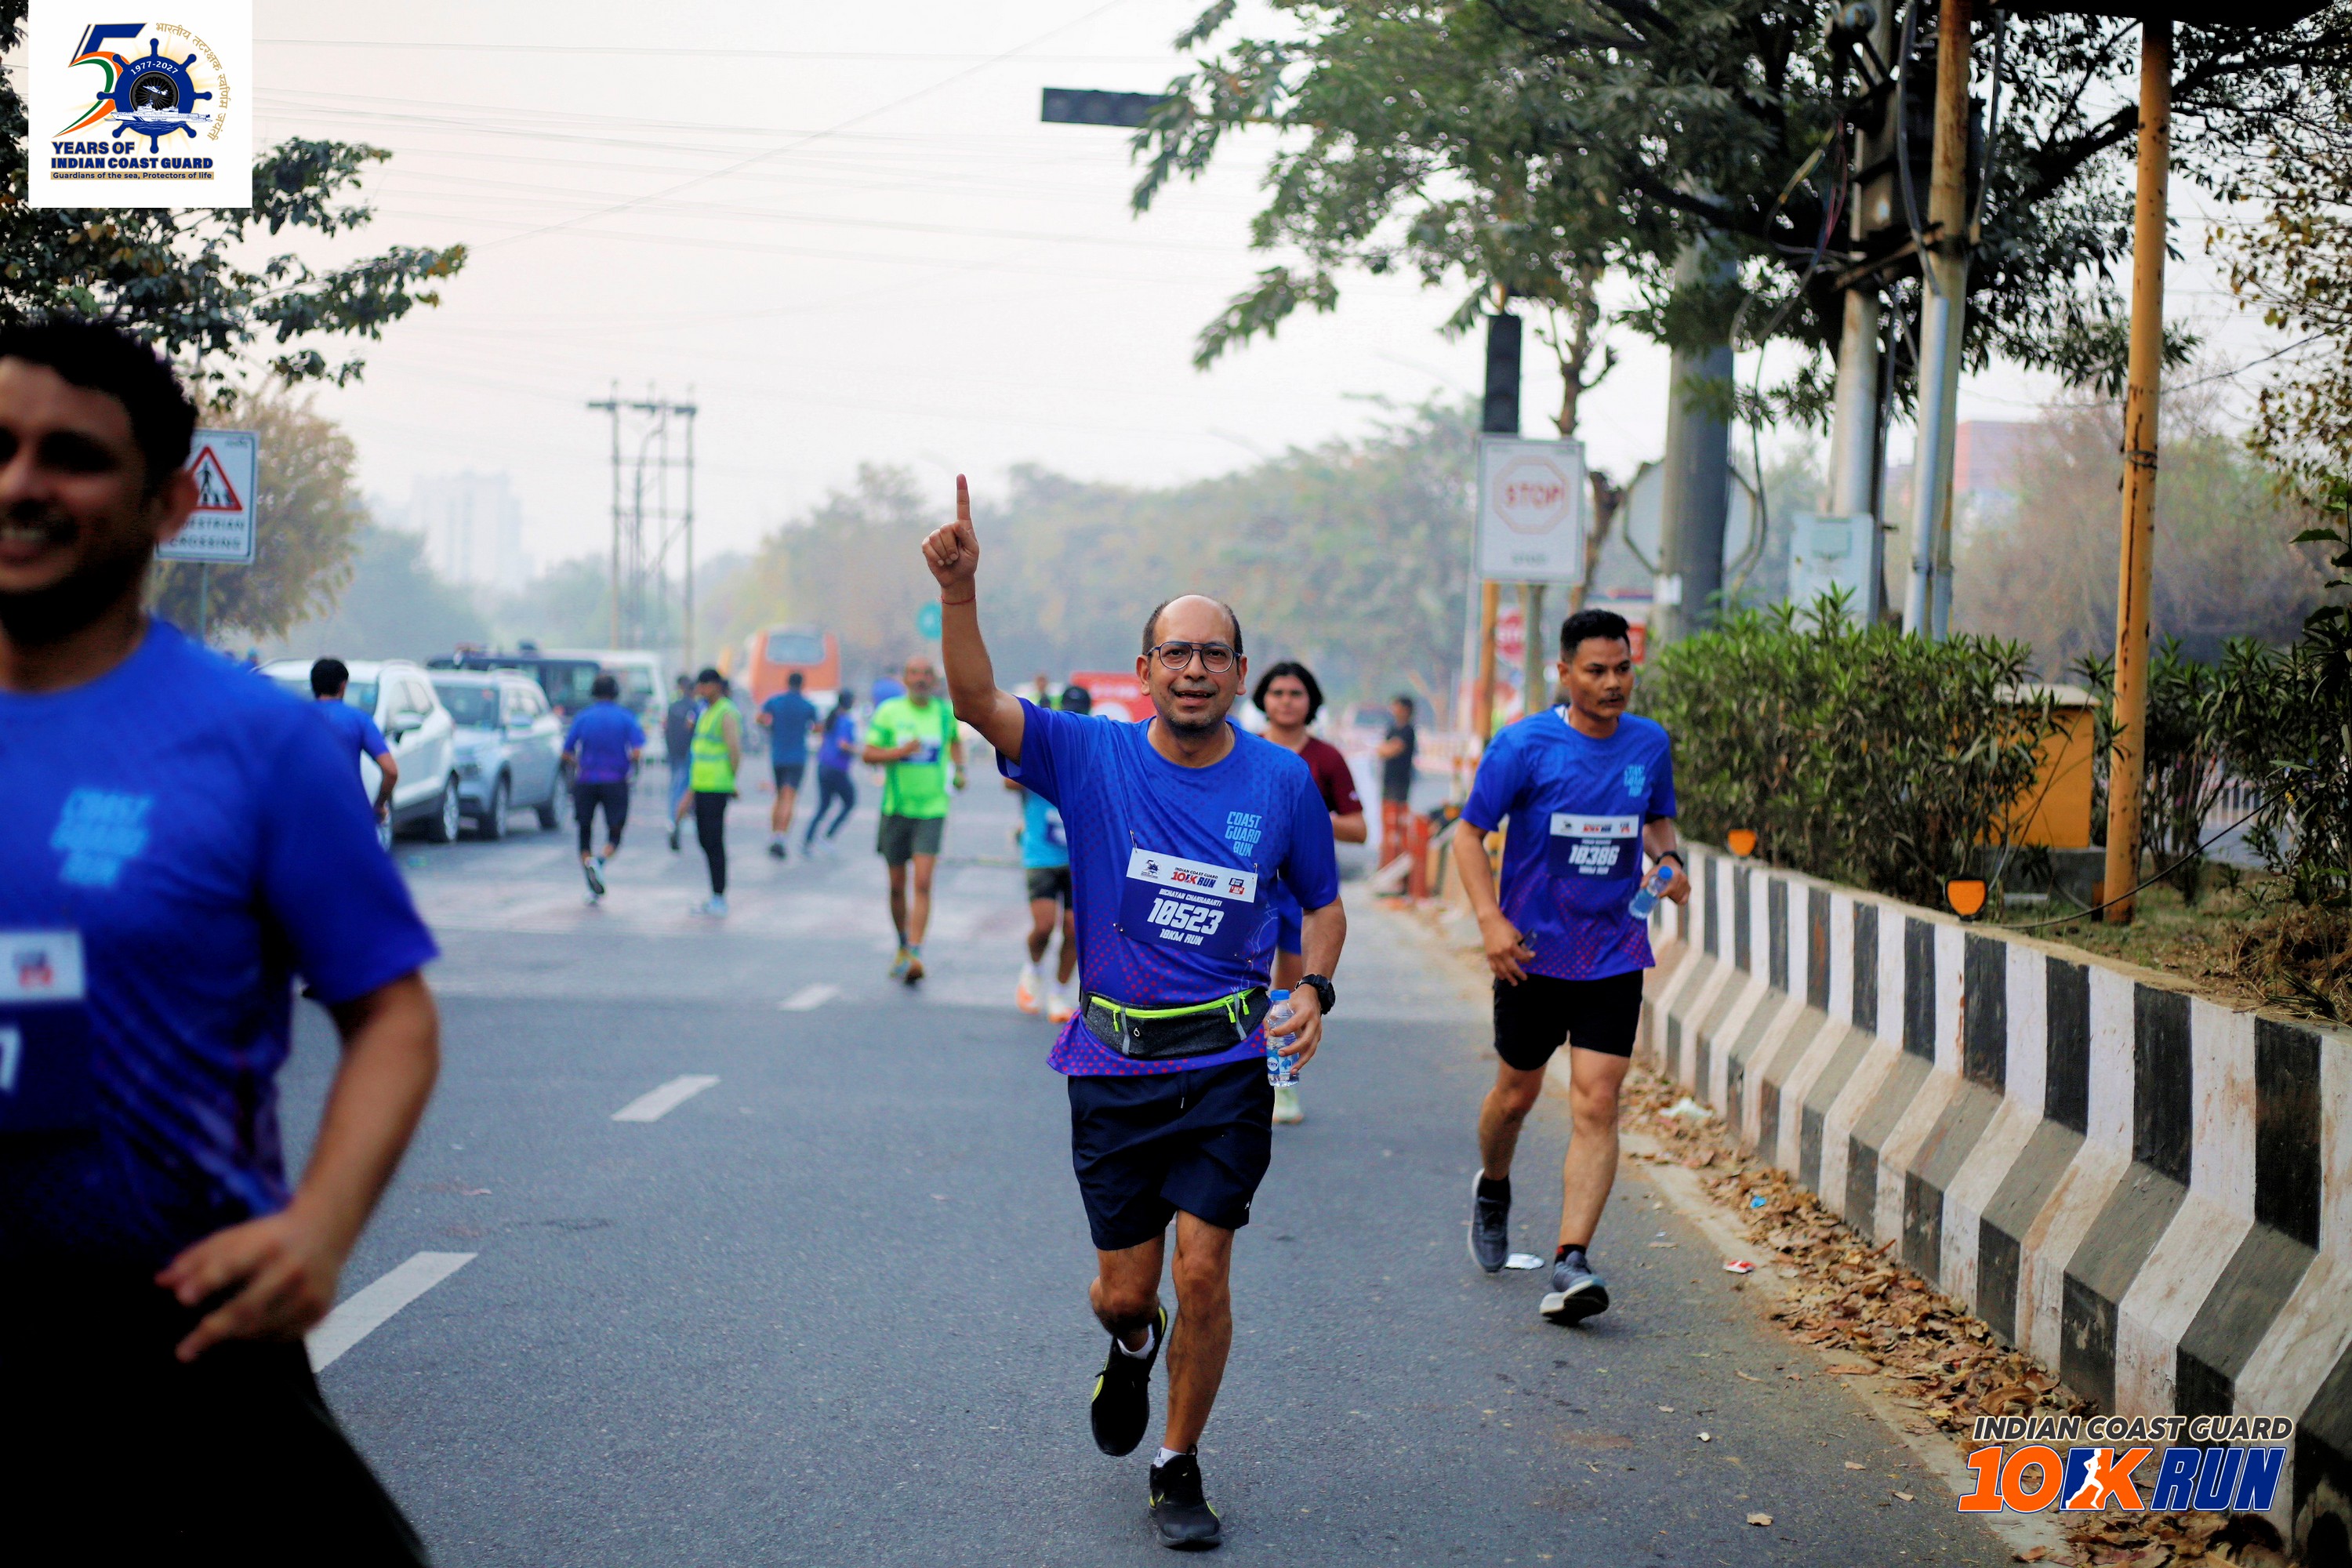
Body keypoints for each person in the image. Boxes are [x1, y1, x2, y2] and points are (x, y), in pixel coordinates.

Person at [0, 318, 441, 1560]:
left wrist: (320, 1229)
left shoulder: (264, 746)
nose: (21, 483)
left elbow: (393, 1016)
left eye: (72, 456)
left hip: (172, 1339)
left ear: (170, 503)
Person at [924, 475, 1345, 1550]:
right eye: (1177, 652)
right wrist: (960, 594)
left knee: (1204, 1267)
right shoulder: (1091, 754)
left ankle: (1178, 1462)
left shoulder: (1282, 784)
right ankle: (1129, 1343)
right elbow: (976, 701)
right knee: (1126, 1292)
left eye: (1216, 654)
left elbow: (1324, 905)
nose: (1196, 669)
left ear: (1240, 673)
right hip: (1112, 1067)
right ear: (1146, 668)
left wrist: (1313, 988)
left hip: (1226, 1064)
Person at [1451, 608, 1689, 1327]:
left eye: (1623, 669)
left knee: (1597, 1101)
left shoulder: (1649, 743)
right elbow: (1467, 835)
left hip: (1613, 951)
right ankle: (1494, 1185)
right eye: (1596, 671)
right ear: (1564, 672)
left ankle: (1572, 1259)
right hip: (1531, 955)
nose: (1613, 683)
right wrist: (1491, 922)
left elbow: (1657, 818)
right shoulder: (1524, 746)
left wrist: (1670, 859)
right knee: (1515, 1096)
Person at [1251, 660, 1368, 1126]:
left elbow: (1358, 829)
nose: (1286, 701)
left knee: (1289, 992)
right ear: (1263, 698)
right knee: (1239, 987)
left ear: (1311, 702)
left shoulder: (1327, 759)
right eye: (1277, 692)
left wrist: (1307, 816)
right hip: (1251, 887)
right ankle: (1229, 1082)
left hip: (1302, 894)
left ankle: (1283, 1086)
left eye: (1295, 693)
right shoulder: (1242, 750)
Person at [862, 655, 964, 984]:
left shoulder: (943, 713)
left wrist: (960, 770)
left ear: (934, 681)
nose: (920, 679)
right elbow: (868, 754)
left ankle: (916, 952)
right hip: (896, 809)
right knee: (896, 886)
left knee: (922, 882)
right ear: (905, 679)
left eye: (926, 674)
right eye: (914, 674)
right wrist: (900, 752)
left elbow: (955, 742)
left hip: (932, 809)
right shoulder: (890, 712)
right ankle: (903, 943)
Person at [1009, 683, 1091, 1023]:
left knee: (1073, 929)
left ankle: (1059, 993)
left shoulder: (1092, 748)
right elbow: (1010, 781)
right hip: (1041, 853)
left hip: (1078, 856)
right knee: (1043, 926)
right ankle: (1033, 968)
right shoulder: (1047, 743)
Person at [564, 672, 645, 903]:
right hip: (615, 781)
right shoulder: (625, 717)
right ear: (616, 693)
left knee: (584, 831)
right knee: (615, 833)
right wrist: (629, 768)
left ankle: (591, 882)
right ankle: (600, 862)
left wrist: (580, 764)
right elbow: (637, 751)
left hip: (586, 781)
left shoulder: (583, 717)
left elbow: (566, 752)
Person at [309, 655, 397, 828]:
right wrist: (379, 805)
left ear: (313, 685)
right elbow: (391, 771)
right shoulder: (359, 721)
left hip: (305, 812)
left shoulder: (295, 720)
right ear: (343, 685)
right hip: (348, 812)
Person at [685, 666, 742, 916]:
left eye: (703, 685)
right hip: (702, 784)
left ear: (715, 686)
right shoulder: (705, 710)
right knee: (705, 839)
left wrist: (731, 780)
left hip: (717, 786)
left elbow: (734, 750)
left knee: (714, 841)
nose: (699, 690)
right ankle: (715, 895)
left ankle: (719, 896)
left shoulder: (726, 712)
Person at [757, 670, 818, 860]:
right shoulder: (807, 705)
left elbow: (759, 718)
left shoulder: (775, 701)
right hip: (797, 757)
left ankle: (774, 835)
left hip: (778, 756)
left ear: (787, 682)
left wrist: (771, 728)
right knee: (789, 797)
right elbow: (817, 728)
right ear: (802, 685)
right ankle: (781, 838)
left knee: (778, 796)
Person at [802, 691, 858, 852]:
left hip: (823, 766)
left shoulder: (831, 719)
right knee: (850, 802)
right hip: (837, 768)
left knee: (824, 805)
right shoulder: (846, 721)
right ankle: (828, 836)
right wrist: (859, 751)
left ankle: (808, 840)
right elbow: (843, 744)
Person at [1376, 694, 1417, 870]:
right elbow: (1383, 749)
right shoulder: (1392, 729)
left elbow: (1391, 749)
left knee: (1398, 825)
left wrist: (1387, 749)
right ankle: (1386, 862)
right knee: (1386, 824)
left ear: (1406, 710)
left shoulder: (1408, 731)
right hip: (1388, 781)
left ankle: (1396, 862)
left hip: (1400, 783)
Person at [664, 673, 699, 854]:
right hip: (687, 753)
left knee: (675, 786)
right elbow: (692, 730)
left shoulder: (673, 706)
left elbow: (666, 729)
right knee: (684, 787)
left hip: (674, 752)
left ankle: (674, 818)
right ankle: (677, 819)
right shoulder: (694, 708)